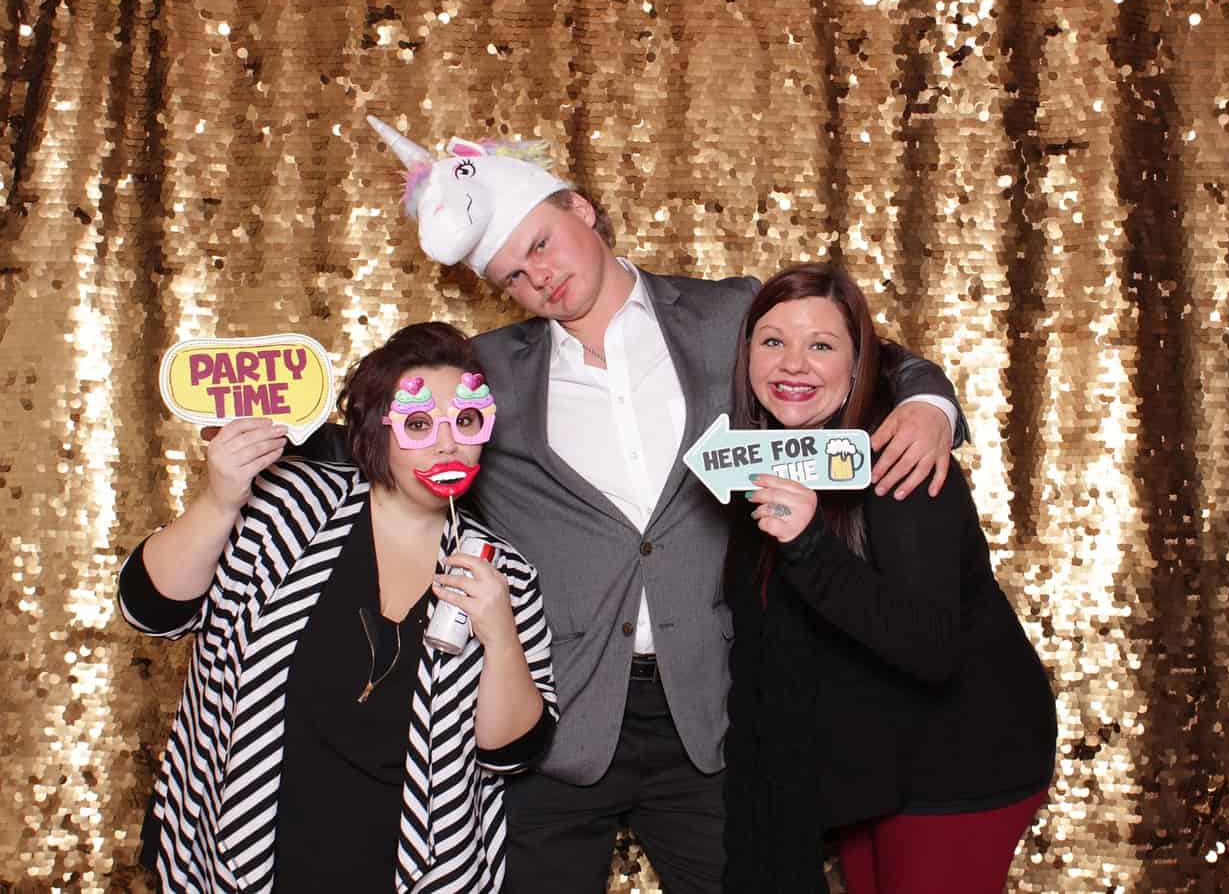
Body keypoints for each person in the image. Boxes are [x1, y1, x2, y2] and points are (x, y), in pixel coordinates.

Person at [358, 118, 971, 894]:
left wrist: (930, 406)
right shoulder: (487, 375)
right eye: (513, 275)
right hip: (558, 718)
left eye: (540, 245)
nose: (537, 278)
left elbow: (854, 350)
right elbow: (383, 424)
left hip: (708, 710)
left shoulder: (728, 317)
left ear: (580, 210)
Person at [119, 322, 557, 892]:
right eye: (419, 425)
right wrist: (220, 499)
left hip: (402, 867)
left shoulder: (504, 570)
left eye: (466, 421)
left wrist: (500, 637)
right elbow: (151, 609)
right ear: (377, 430)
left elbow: (509, 753)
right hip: (252, 844)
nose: (447, 443)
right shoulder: (289, 504)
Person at [722, 263, 1057, 894]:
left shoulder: (902, 459)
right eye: (773, 342)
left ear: (859, 363)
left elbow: (931, 649)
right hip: (870, 769)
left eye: (821, 345)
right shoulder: (761, 458)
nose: (793, 365)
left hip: (962, 762)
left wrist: (810, 542)